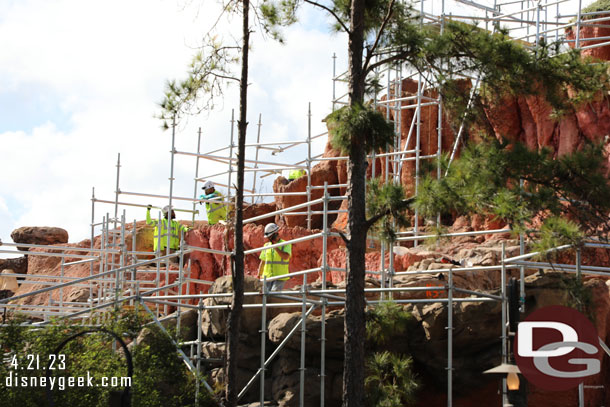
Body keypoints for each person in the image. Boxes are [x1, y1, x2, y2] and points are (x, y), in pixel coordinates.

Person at [258, 223, 291, 292]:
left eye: (270, 237)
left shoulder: (285, 244)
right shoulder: (266, 245)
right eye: (268, 237)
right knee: (265, 297)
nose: (269, 239)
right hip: (267, 277)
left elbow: (286, 257)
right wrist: (259, 274)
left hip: (280, 277)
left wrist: (276, 247)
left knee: (274, 295)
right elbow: (263, 261)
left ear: (276, 234)